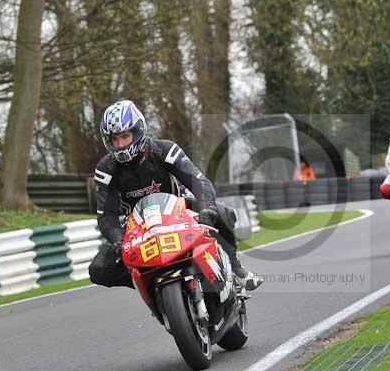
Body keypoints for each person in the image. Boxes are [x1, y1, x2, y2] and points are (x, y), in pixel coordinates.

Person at [88, 99, 263, 291]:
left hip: (179, 210)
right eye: (115, 139)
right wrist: (118, 239)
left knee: (223, 213)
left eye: (125, 136)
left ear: (138, 131)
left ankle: (236, 270)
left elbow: (199, 181)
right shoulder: (105, 169)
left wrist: (207, 209)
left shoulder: (165, 150)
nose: (120, 144)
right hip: (137, 226)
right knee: (98, 270)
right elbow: (106, 215)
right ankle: (149, 283)